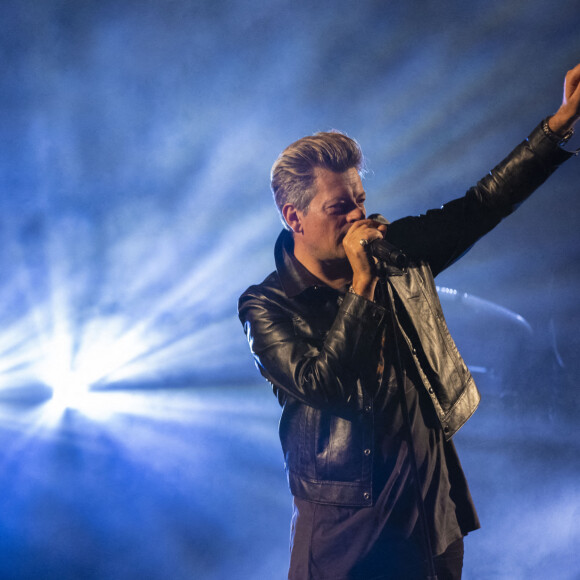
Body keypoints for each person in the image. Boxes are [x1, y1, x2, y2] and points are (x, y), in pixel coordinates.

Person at [238, 64, 580, 580]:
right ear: (294, 217)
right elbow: (322, 384)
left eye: (360, 201)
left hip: (430, 520)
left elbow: (480, 207)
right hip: (346, 539)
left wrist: (558, 126)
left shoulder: (391, 252)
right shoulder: (267, 305)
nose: (357, 217)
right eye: (339, 207)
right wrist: (362, 284)